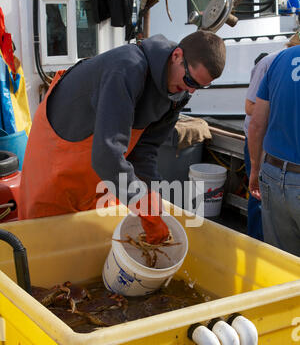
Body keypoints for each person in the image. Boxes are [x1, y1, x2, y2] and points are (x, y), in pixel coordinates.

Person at [19, 30, 226, 244]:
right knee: (45, 244)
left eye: (199, 87)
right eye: (189, 79)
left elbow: (144, 152)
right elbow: (106, 156)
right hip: (59, 157)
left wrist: (154, 195)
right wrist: (142, 203)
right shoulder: (126, 67)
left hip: (102, 171)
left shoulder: (177, 95)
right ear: (177, 56)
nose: (190, 90)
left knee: (98, 241)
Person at [243, 31, 300, 241]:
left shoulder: (279, 59)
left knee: (279, 260)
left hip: (273, 174)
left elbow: (256, 125)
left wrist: (255, 170)